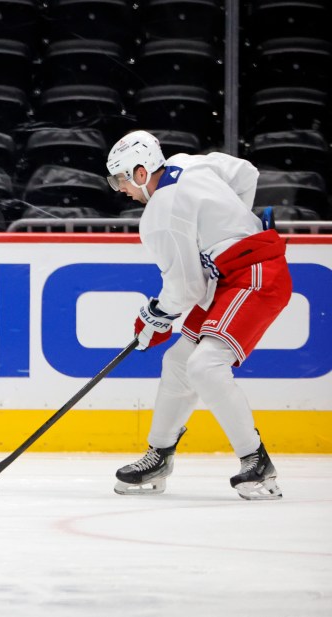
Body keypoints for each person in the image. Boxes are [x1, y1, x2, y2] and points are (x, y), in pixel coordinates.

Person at [105, 130, 291, 500]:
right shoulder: (187, 162)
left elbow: (185, 288)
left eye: (121, 179)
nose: (119, 189)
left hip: (255, 274)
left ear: (141, 173)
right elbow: (246, 174)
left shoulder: (158, 215)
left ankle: (257, 462)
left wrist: (153, 318)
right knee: (178, 360)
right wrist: (230, 224)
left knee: (205, 366)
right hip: (228, 276)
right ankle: (158, 456)